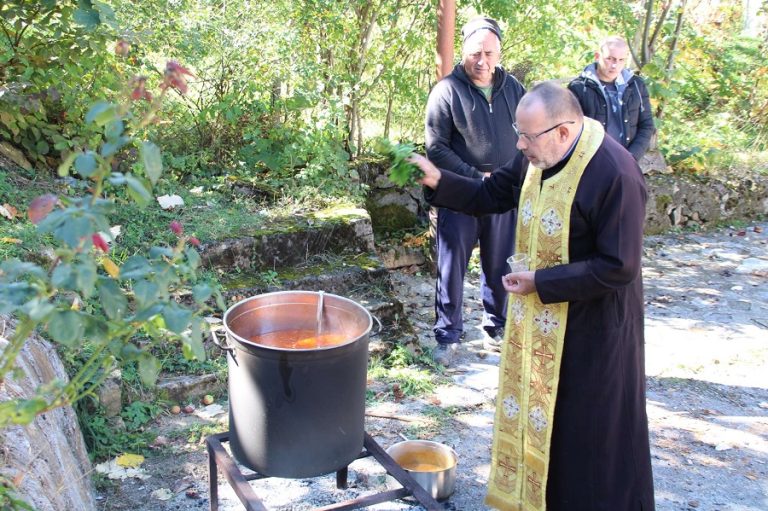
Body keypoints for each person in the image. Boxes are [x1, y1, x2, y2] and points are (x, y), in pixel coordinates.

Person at [412, 81, 655, 510]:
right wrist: (438, 179)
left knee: (587, 432)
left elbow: (620, 266)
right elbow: (490, 193)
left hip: (594, 330)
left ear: (563, 131)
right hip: (541, 326)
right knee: (545, 422)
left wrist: (540, 283)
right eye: (518, 133)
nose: (519, 145)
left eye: (527, 136)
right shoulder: (538, 155)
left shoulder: (614, 173)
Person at [424, 16, 526, 366]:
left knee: (500, 262)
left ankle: (496, 327)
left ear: (499, 52)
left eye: (489, 53)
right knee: (452, 267)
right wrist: (474, 177)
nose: (482, 61)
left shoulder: (513, 88)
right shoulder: (446, 91)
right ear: (464, 52)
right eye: (474, 53)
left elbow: (529, 134)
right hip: (461, 193)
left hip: (504, 191)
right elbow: (436, 149)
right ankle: (447, 336)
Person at [568, 36, 655, 161]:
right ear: (597, 56)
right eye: (610, 59)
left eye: (621, 60)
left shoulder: (636, 85)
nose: (615, 65)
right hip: (591, 162)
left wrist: (631, 157)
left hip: (628, 160)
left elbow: (647, 125)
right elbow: (571, 130)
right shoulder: (579, 88)